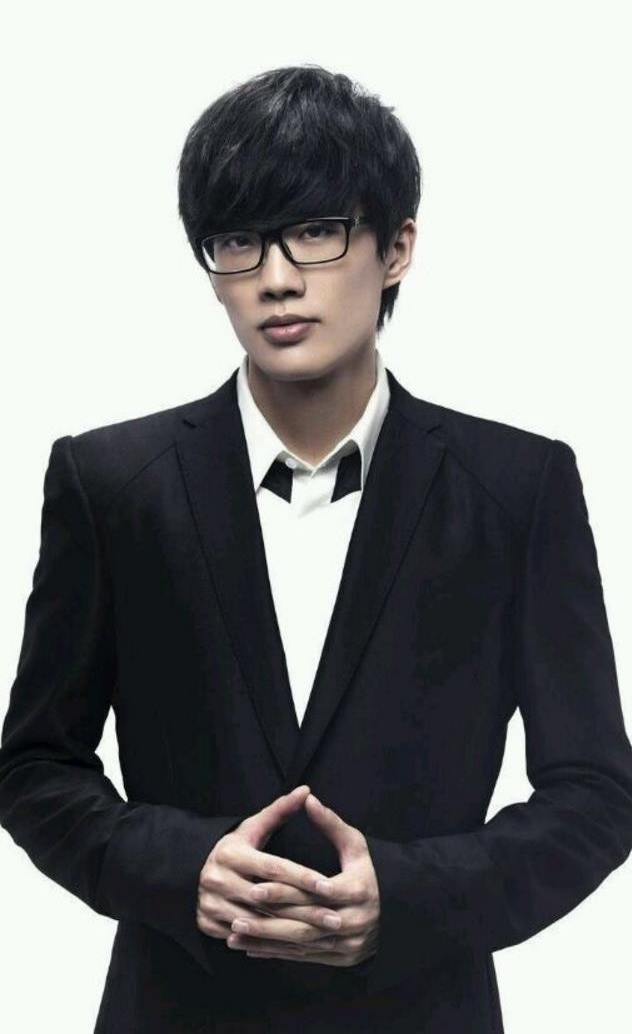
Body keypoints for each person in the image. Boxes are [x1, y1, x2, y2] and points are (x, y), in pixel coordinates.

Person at [1, 64, 632, 1034]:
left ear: (396, 248)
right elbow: (36, 766)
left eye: (315, 231)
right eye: (237, 242)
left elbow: (594, 794)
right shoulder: (111, 483)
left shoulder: (516, 488)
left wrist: (407, 896)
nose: (276, 277)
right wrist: (181, 869)